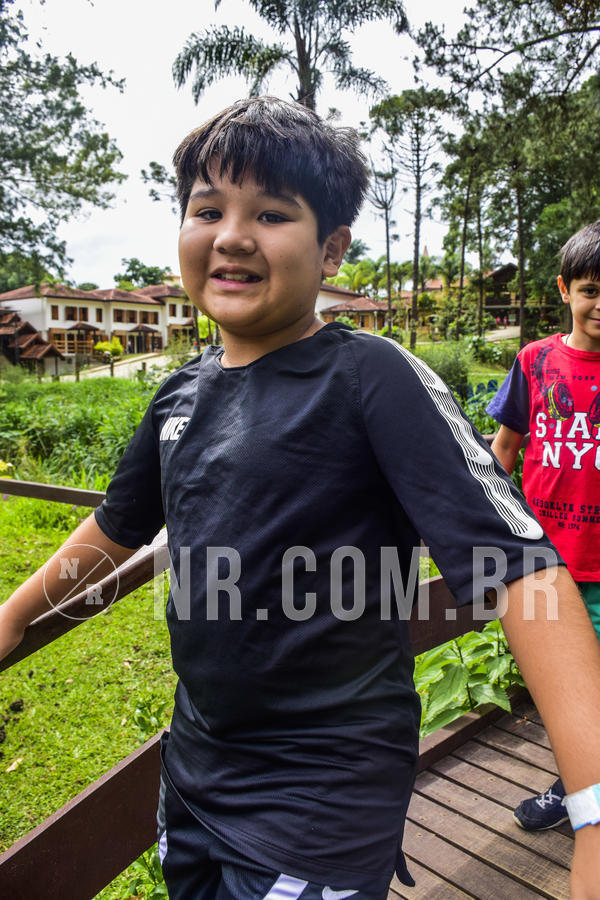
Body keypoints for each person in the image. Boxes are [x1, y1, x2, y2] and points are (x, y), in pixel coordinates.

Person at [1, 98, 600, 899]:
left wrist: (593, 810)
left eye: (272, 213)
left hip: (322, 794)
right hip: (194, 773)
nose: (232, 235)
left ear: (332, 250)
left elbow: (520, 569)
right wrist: (9, 622)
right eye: (207, 209)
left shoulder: (370, 378)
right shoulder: (180, 393)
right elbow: (118, 531)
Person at [488, 220, 600, 833]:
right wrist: (488, 541)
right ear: (564, 289)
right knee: (561, 692)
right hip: (545, 565)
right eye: (590, 289)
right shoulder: (534, 363)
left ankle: (577, 791)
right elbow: (502, 453)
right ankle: (577, 785)